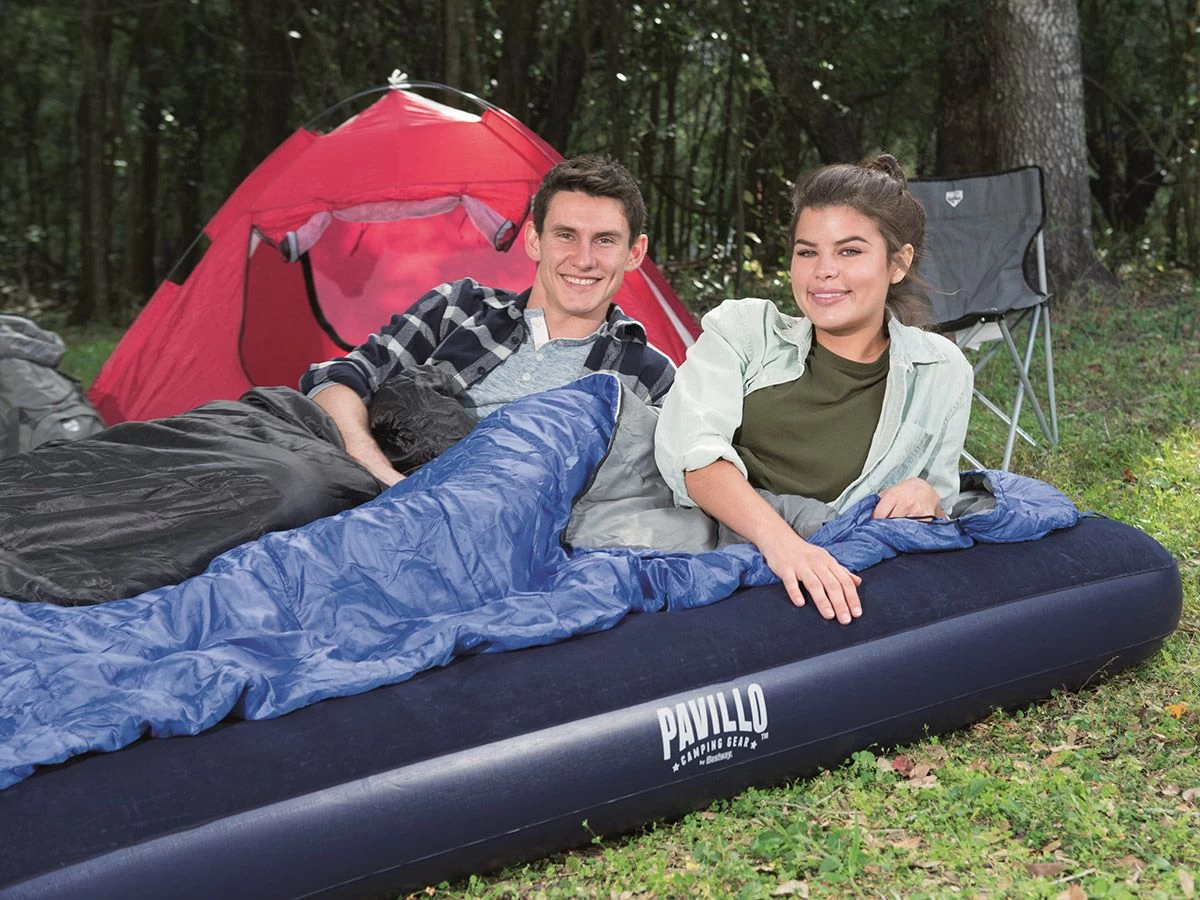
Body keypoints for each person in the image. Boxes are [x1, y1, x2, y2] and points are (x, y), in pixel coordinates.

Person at [654, 155, 973, 626]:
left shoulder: (942, 369)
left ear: (898, 263)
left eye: (850, 251)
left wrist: (923, 493)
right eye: (807, 252)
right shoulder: (743, 331)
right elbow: (694, 456)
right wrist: (785, 546)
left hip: (836, 564)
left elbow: (939, 498)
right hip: (723, 542)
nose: (823, 271)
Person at [300, 154, 676, 486]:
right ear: (534, 240)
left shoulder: (648, 375)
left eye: (605, 240)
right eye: (565, 235)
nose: (583, 259)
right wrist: (376, 468)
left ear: (634, 252)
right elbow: (336, 378)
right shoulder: (456, 309)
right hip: (376, 496)